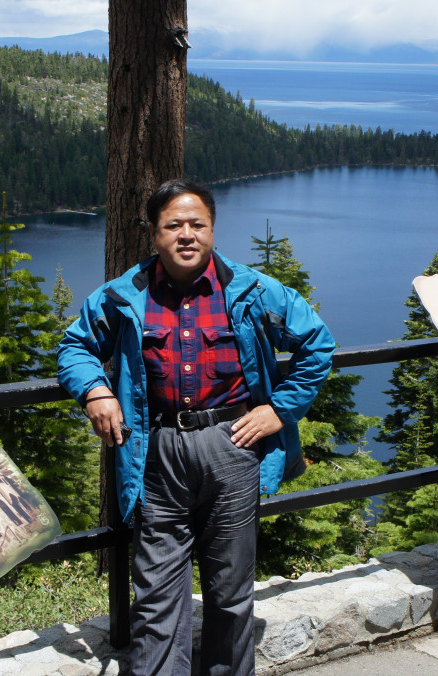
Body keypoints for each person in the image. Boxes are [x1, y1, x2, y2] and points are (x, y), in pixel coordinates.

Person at [57, 179, 334, 675]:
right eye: (173, 225)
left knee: (230, 591)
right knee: (157, 594)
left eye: (197, 224)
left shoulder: (249, 289)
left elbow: (317, 343)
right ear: (154, 233)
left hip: (232, 445)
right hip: (155, 450)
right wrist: (95, 391)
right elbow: (74, 346)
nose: (186, 235)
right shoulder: (124, 296)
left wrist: (280, 409)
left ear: (211, 228)